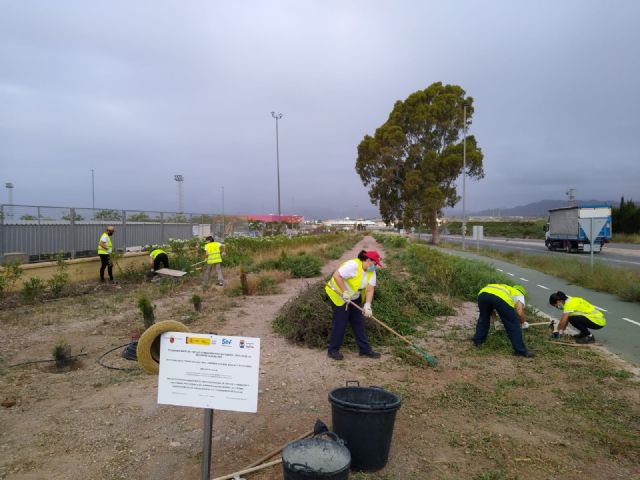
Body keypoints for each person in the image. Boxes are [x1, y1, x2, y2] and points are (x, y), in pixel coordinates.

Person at [325, 250, 383, 360]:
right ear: (368, 260)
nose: (375, 266)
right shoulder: (353, 265)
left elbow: (370, 289)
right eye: (374, 263)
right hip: (337, 295)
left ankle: (365, 350)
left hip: (354, 297)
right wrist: (344, 292)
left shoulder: (372, 272)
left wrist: (367, 305)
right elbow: (337, 276)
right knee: (341, 322)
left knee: (358, 322)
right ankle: (333, 350)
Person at [473, 283, 534, 358]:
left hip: (483, 294)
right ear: (523, 293)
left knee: (483, 318)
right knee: (513, 324)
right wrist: (523, 322)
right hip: (498, 298)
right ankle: (520, 351)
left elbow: (491, 309)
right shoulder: (519, 294)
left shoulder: (506, 288)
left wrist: (495, 321)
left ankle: (478, 342)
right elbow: (519, 312)